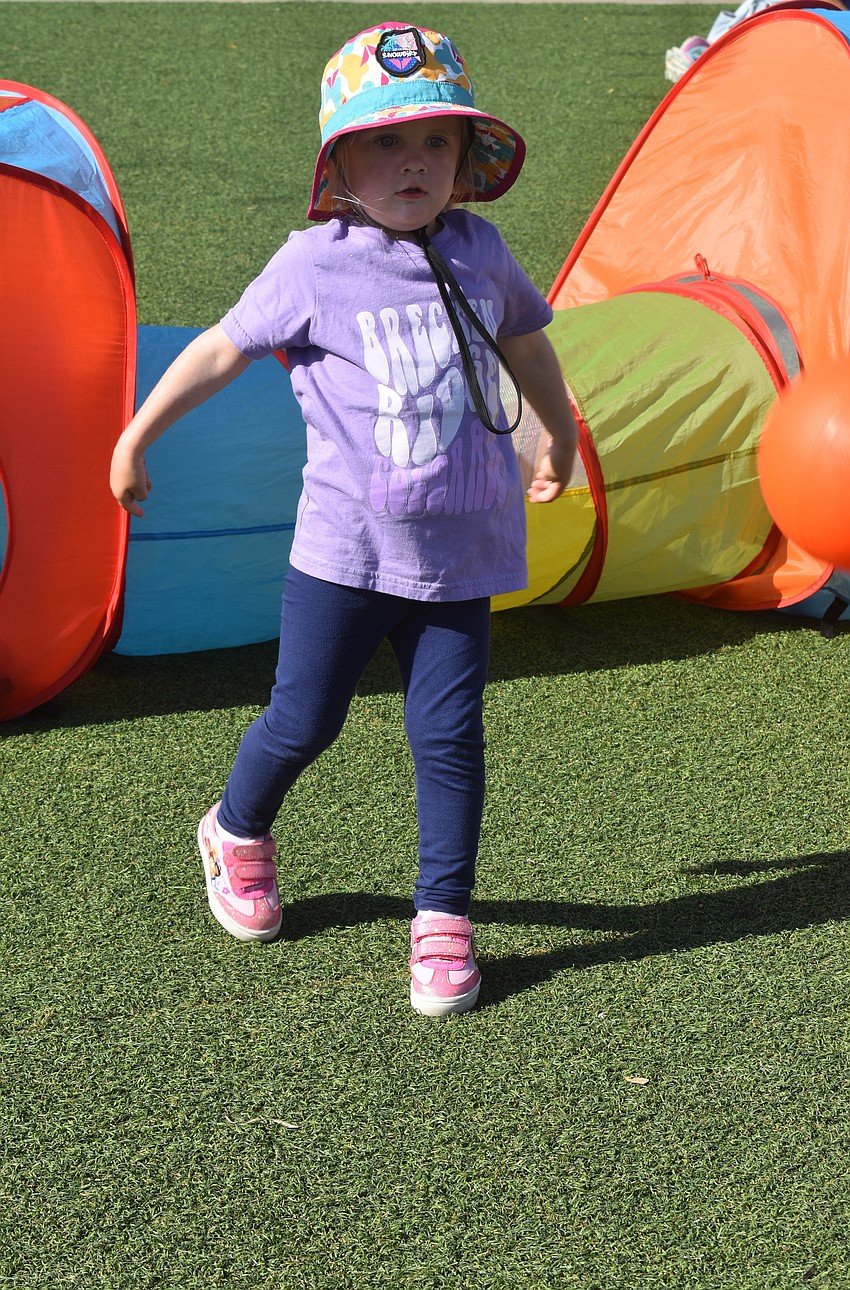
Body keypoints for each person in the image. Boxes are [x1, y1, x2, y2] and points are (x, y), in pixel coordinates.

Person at [110, 21, 579, 1017]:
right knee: (304, 717)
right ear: (341, 163)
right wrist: (137, 434)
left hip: (461, 553)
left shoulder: (481, 250)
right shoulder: (313, 265)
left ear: (464, 161)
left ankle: (442, 919)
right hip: (346, 555)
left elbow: (530, 345)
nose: (413, 163)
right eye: (384, 143)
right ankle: (236, 829)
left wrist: (560, 436)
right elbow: (220, 351)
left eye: (435, 144)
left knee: (449, 737)